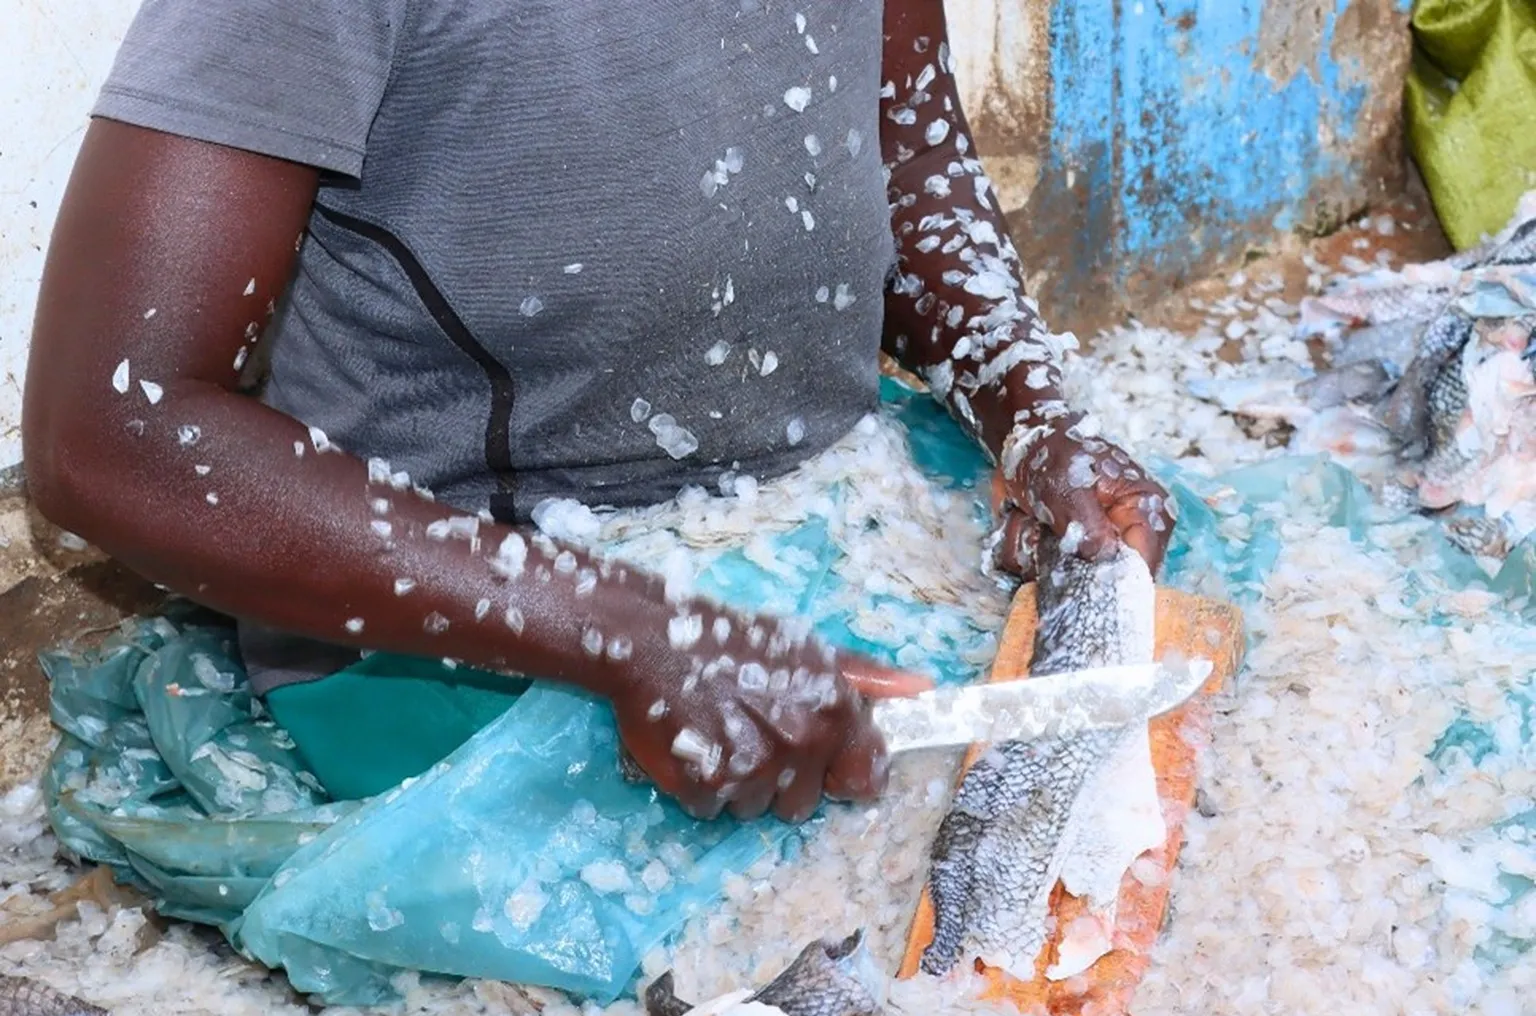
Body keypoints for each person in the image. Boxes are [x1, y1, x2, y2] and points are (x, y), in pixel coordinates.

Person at [23, 0, 1174, 828]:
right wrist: (630, 633)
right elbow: (113, 432)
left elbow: (909, 158)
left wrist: (1032, 415)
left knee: (1113, 771)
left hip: (820, 509)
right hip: (474, 623)